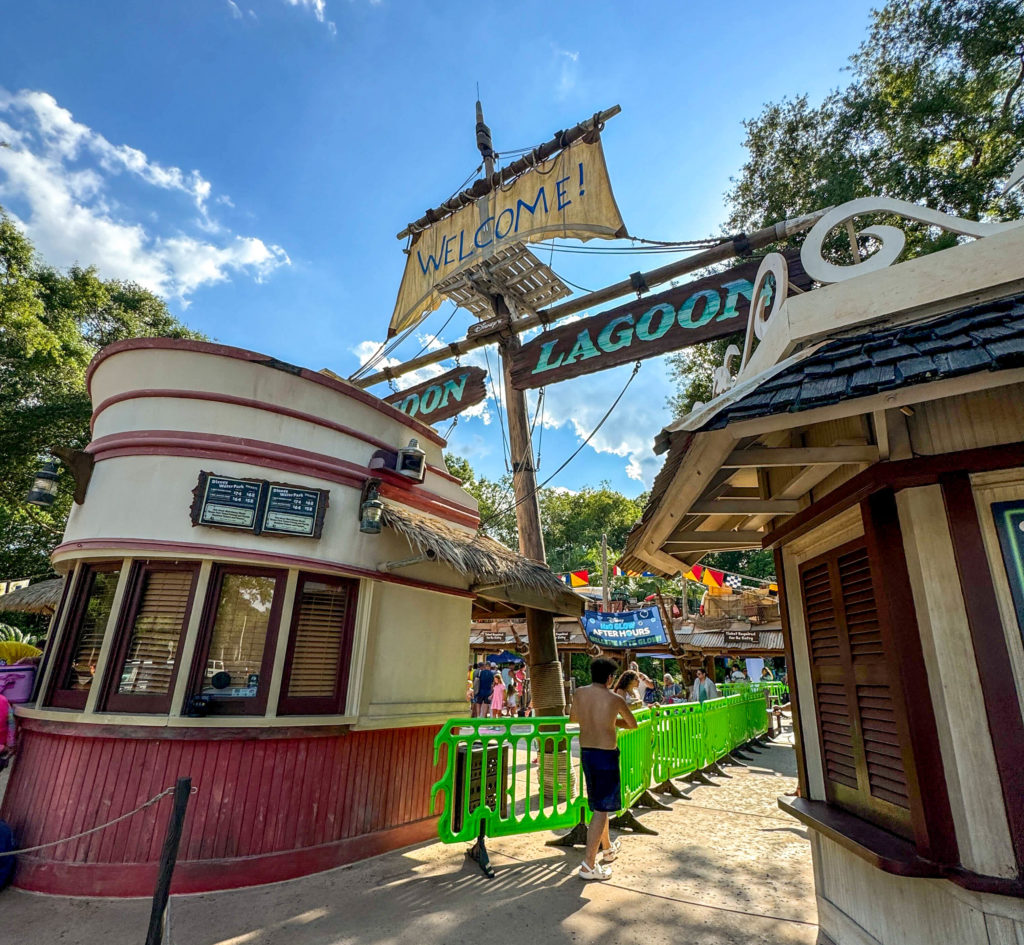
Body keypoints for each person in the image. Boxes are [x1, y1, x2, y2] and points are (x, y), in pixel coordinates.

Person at [569, 657, 637, 881]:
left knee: (600, 806)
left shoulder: (579, 693)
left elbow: (573, 718)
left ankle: (606, 849)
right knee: (601, 809)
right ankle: (588, 864)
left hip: (586, 752)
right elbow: (632, 724)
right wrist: (611, 721)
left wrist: (598, 720)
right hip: (606, 755)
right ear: (610, 678)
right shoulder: (615, 699)